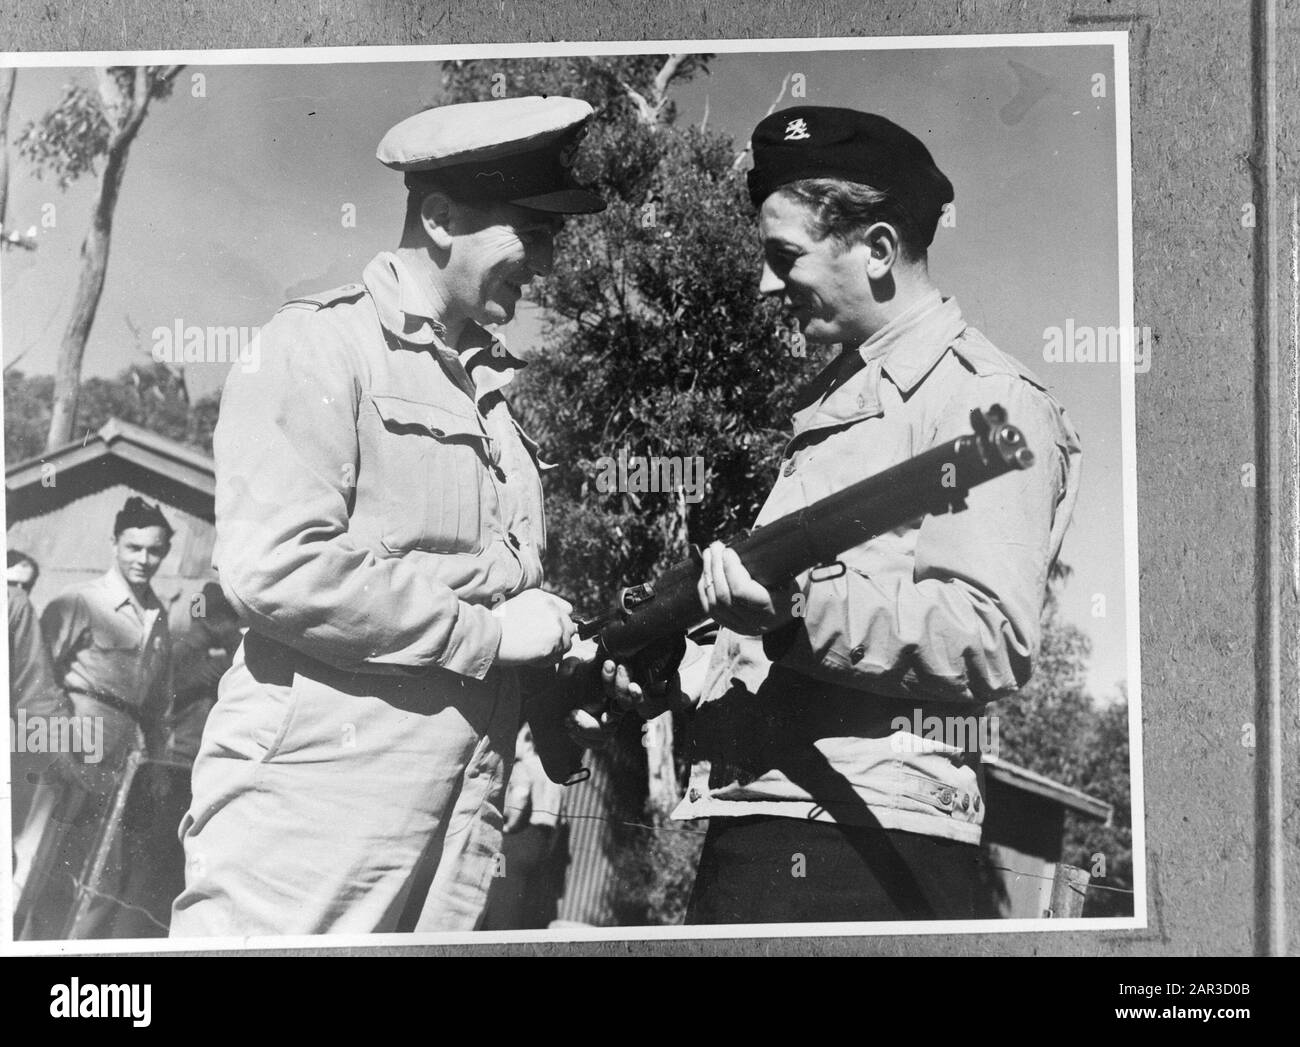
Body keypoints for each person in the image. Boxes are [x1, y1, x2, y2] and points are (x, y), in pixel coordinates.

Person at [170, 95, 608, 937]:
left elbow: (500, 593)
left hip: (459, 827)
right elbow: (277, 567)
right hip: (310, 817)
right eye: (532, 232)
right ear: (441, 219)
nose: (546, 264)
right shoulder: (319, 346)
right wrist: (485, 638)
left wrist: (557, 678)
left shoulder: (499, 397)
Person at [657, 107, 1083, 922]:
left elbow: (988, 633)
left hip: (866, 839)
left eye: (785, 256)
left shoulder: (985, 398)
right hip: (773, 812)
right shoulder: (842, 401)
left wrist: (794, 613)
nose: (764, 282)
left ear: (880, 250)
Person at [13, 497, 176, 939]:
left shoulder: (159, 618)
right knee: (32, 861)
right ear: (114, 545)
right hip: (66, 749)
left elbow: (158, 706)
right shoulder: (79, 602)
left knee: (101, 875)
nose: (144, 559)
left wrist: (158, 762)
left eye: (155, 550)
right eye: (133, 548)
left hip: (121, 764)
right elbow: (36, 679)